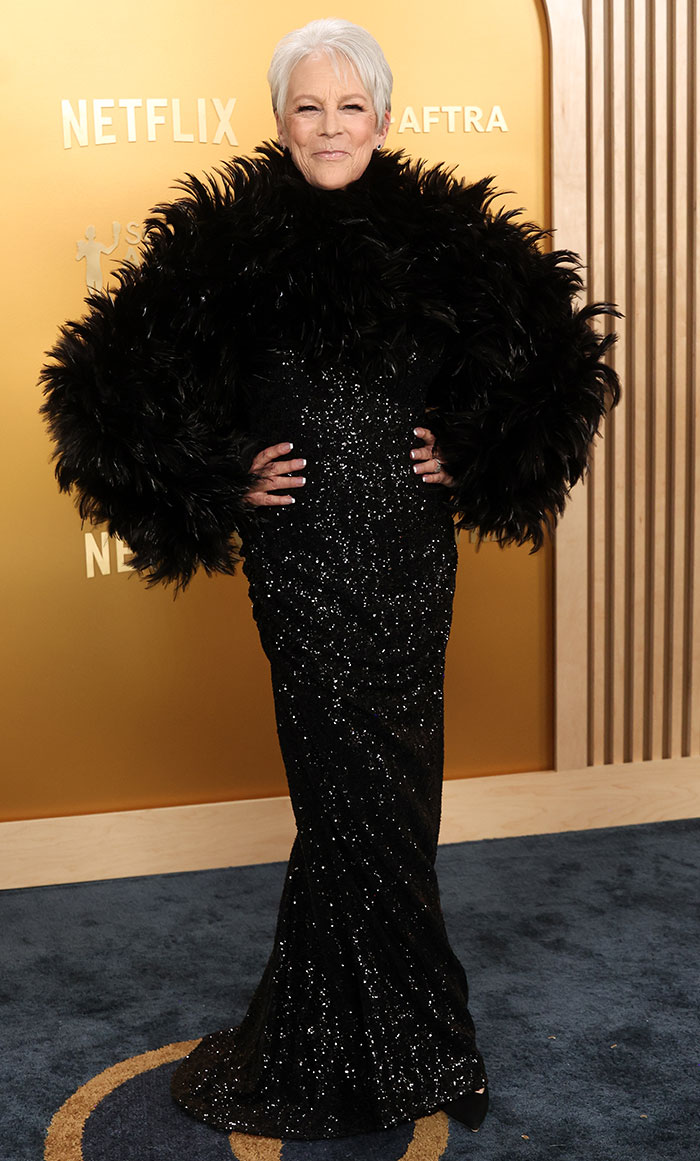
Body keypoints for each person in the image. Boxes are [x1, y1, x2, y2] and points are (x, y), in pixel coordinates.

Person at [39, 17, 620, 1143]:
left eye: (349, 106)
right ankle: (413, 1048)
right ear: (279, 121)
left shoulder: (446, 238)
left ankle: (411, 1039)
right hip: (301, 568)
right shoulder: (224, 248)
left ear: (384, 119)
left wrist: (478, 448)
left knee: (395, 803)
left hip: (409, 560)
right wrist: (215, 480)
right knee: (342, 798)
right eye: (308, 107)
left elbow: (555, 366)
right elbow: (105, 394)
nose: (329, 125)